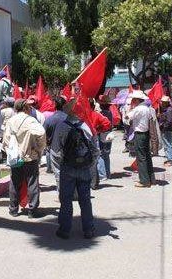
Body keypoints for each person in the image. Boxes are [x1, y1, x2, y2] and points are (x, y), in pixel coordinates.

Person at [51, 98, 98, 239]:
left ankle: (64, 229)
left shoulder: (61, 126)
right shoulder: (85, 126)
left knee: (66, 199)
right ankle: (88, 229)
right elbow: (95, 150)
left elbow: (55, 150)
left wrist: (61, 163)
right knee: (85, 200)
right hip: (84, 168)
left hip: (67, 167)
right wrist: (90, 165)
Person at [3, 99, 47, 218]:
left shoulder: (11, 121)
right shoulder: (31, 120)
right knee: (32, 183)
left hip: (15, 158)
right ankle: (32, 210)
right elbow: (41, 134)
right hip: (29, 156)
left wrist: (9, 151)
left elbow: (6, 139)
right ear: (26, 108)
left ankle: (13, 209)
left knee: (14, 183)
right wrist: (39, 149)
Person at [125, 90, 156, 187]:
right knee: (147, 157)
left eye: (134, 99)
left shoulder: (138, 109)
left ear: (137, 100)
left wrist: (129, 109)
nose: (132, 101)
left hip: (139, 134)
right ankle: (151, 179)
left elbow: (127, 118)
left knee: (141, 158)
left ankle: (144, 181)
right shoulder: (147, 108)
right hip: (145, 133)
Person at [43, 96, 68, 187]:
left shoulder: (49, 120)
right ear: (64, 105)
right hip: (69, 149)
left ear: (55, 106)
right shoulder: (70, 118)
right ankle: (73, 193)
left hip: (55, 149)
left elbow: (44, 135)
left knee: (58, 172)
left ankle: (62, 194)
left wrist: (47, 144)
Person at [96, 95, 115, 180]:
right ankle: (107, 173)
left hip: (103, 135)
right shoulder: (109, 112)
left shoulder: (102, 114)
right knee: (106, 155)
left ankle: (102, 175)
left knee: (101, 154)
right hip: (109, 135)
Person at [158, 96, 172, 166]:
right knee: (166, 144)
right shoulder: (166, 110)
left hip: (166, 130)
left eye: (162, 102)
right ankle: (168, 159)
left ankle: (170, 160)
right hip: (165, 129)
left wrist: (163, 126)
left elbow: (169, 121)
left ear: (165, 103)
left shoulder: (169, 110)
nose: (161, 103)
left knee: (168, 144)